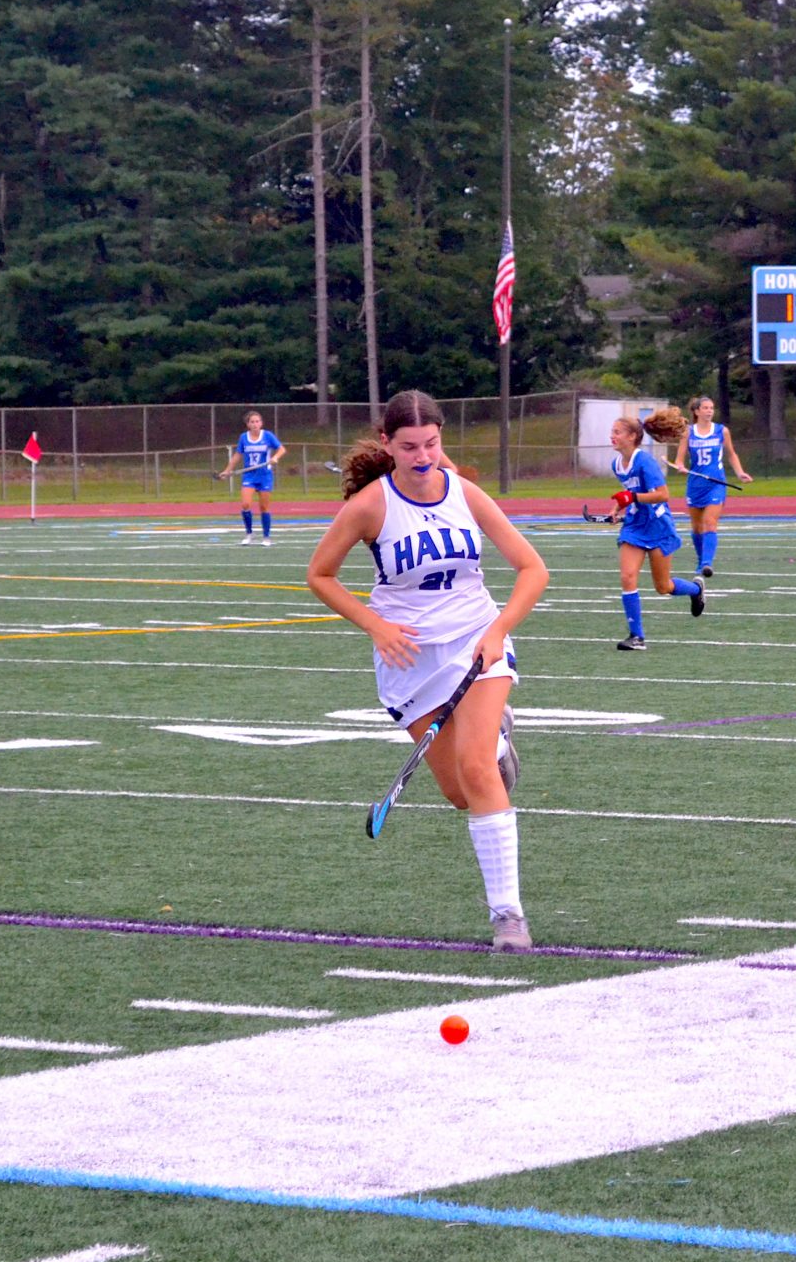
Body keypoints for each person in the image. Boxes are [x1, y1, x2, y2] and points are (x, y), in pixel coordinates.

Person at [305, 389, 551, 950]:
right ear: (388, 445)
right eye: (410, 446)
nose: (423, 456)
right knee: (459, 792)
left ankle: (508, 916)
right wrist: (376, 626)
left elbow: (532, 568)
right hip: (411, 659)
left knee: (477, 772)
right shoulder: (370, 505)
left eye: (432, 444)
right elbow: (320, 575)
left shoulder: (464, 493)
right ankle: (496, 743)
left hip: (475, 642)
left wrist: (496, 632)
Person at [606, 409, 703, 651]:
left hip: (658, 527)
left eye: (617, 432)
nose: (612, 436)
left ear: (632, 437)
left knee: (663, 587)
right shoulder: (617, 464)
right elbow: (629, 494)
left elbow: (663, 494)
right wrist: (618, 507)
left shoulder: (645, 461)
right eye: (612, 432)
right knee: (627, 577)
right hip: (635, 527)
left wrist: (632, 497)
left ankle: (696, 589)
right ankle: (636, 636)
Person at [680, 395, 753, 578]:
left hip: (716, 484)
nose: (709, 411)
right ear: (697, 411)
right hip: (696, 485)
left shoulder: (722, 431)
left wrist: (739, 472)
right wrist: (680, 466)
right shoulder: (688, 432)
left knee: (710, 523)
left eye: (711, 408)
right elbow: (679, 459)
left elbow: (731, 454)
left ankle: (707, 564)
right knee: (697, 527)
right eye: (705, 408)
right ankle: (700, 560)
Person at [219, 411, 288, 545]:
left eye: (257, 421)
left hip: (264, 476)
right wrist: (227, 471)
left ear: (261, 423)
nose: (255, 424)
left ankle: (266, 537)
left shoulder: (267, 436)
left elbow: (281, 449)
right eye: (252, 422)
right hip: (249, 475)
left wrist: (275, 457)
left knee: (264, 507)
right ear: (248, 424)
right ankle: (249, 534)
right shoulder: (244, 438)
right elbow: (238, 455)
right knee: (245, 504)